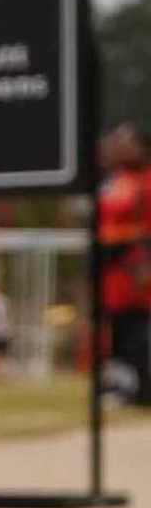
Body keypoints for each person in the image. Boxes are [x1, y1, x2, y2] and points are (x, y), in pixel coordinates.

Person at [98, 123, 151, 405]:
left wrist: (144, 264)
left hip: (135, 267)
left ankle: (141, 389)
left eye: (126, 142)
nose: (119, 146)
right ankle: (120, 387)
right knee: (116, 329)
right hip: (112, 269)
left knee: (136, 330)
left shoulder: (145, 183)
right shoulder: (114, 181)